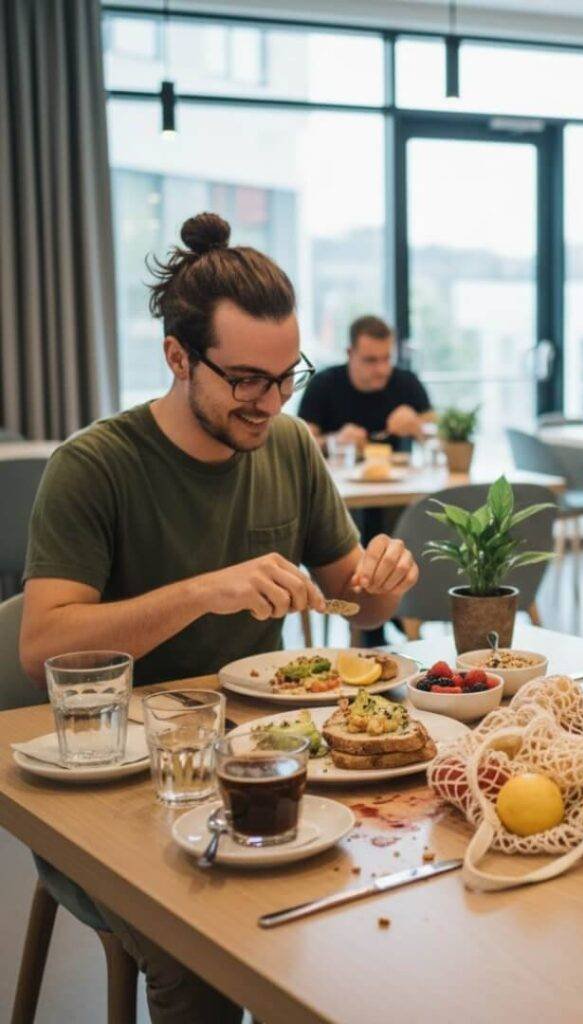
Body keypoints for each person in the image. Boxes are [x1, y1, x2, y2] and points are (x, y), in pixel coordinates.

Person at [19, 213, 421, 1023]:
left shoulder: (289, 446)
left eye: (285, 379)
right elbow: (43, 646)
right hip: (121, 784)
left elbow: (355, 601)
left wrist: (387, 579)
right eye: (245, 380)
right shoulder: (95, 467)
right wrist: (202, 591)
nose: (268, 403)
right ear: (177, 355)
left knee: (395, 891)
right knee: (197, 958)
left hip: (261, 763)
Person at [298, 314, 434, 450]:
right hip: (334, 470)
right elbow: (300, 447)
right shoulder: (323, 384)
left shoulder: (407, 382)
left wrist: (418, 427)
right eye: (371, 360)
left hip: (395, 470)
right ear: (350, 353)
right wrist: (334, 441)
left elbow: (445, 440)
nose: (382, 370)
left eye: (386, 358)